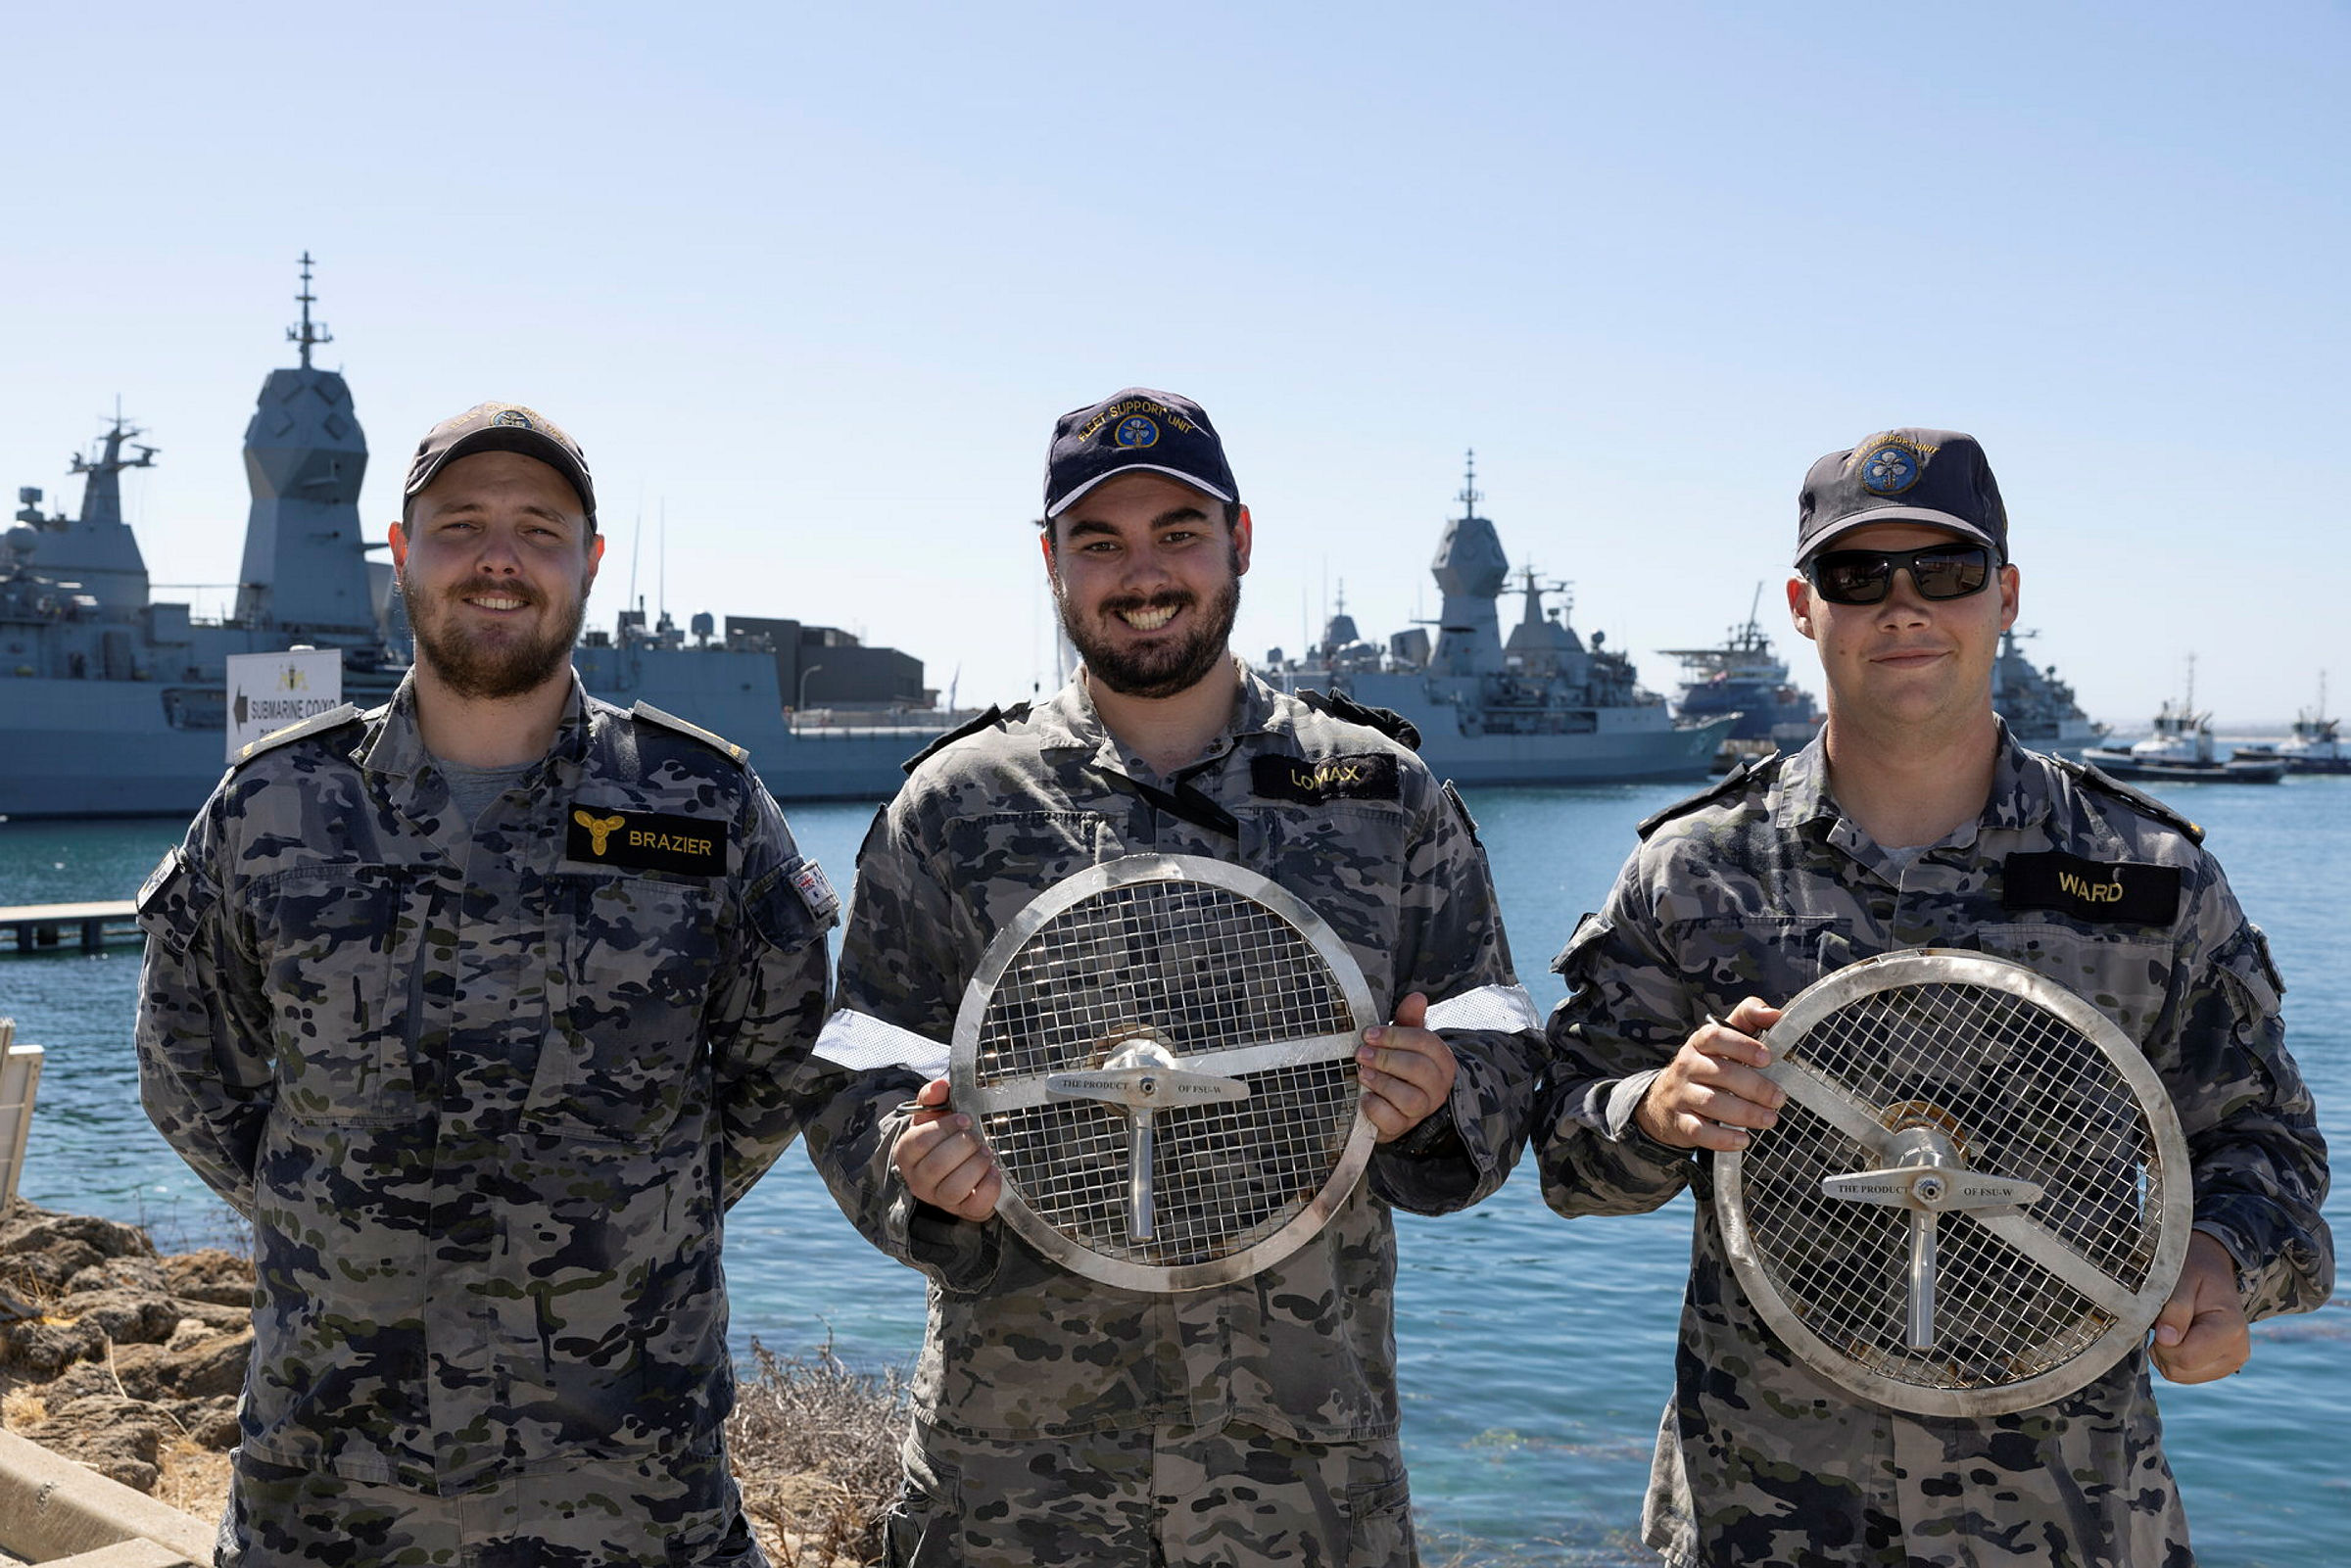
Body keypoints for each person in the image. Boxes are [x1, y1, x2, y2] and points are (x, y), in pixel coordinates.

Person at [1532, 428, 2332, 1566]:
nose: (1903, 606)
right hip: (1761, 1514)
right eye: (1861, 577)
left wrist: (2220, 1263)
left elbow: (2274, 1155)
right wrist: (1657, 1110)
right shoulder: (1692, 871)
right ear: (1806, 607)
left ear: (2004, 597)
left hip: (2067, 1514)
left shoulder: (2152, 878)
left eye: (1945, 573)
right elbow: (1568, 1156)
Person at [801, 388, 1544, 1567]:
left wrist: (1443, 1097)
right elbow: (862, 1056)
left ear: (1239, 542)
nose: (1141, 573)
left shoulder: (1384, 795)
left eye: (1177, 534)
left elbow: (1494, 1024)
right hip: (1014, 1480)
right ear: (1052, 563)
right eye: (1099, 542)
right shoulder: (954, 805)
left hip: (1303, 1474)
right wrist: (913, 1166)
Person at [135, 403, 839, 1567]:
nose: (499, 556)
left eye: (538, 528)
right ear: (402, 554)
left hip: (629, 1479)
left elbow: (783, 1058)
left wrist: (628, 1217)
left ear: (588, 563)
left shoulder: (700, 807)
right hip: (331, 1482)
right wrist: (333, 1215)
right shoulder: (274, 806)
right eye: (460, 524)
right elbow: (183, 1060)